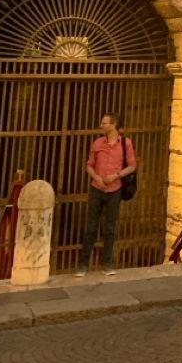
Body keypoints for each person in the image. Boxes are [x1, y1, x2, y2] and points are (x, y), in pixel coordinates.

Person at [75, 113, 136, 277]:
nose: (101, 125)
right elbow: (89, 165)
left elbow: (132, 166)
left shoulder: (126, 143)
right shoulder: (97, 143)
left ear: (113, 124)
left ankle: (107, 264)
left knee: (110, 228)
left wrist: (116, 176)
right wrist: (96, 177)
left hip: (114, 190)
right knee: (91, 227)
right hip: (97, 189)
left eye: (104, 123)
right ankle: (83, 265)